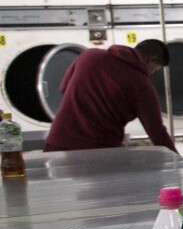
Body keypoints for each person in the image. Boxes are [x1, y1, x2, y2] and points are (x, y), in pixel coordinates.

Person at [43, 39, 175, 151]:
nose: (151, 73)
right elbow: (157, 132)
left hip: (58, 140)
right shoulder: (142, 84)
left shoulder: (90, 55)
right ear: (151, 60)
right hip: (99, 150)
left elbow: (64, 87)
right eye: (155, 69)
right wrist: (178, 162)